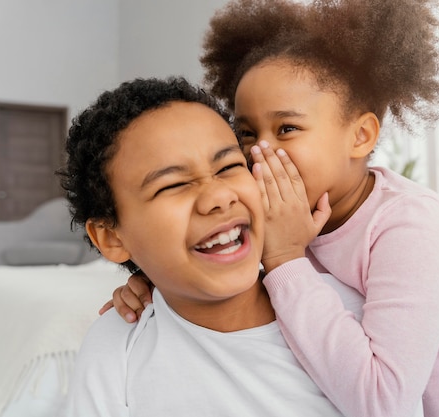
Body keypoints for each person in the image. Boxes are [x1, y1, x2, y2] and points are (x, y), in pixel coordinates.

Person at [107, 0, 439, 416]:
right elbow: (224, 268)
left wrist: (288, 259)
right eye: (247, 133)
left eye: (287, 129)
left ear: (361, 136)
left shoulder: (411, 225)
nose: (260, 152)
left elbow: (383, 401)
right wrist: (154, 282)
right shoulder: (279, 212)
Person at [55, 76, 366, 417]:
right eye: (172, 185)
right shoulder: (117, 344)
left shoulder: (351, 310)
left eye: (231, 166)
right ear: (112, 237)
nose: (219, 196)